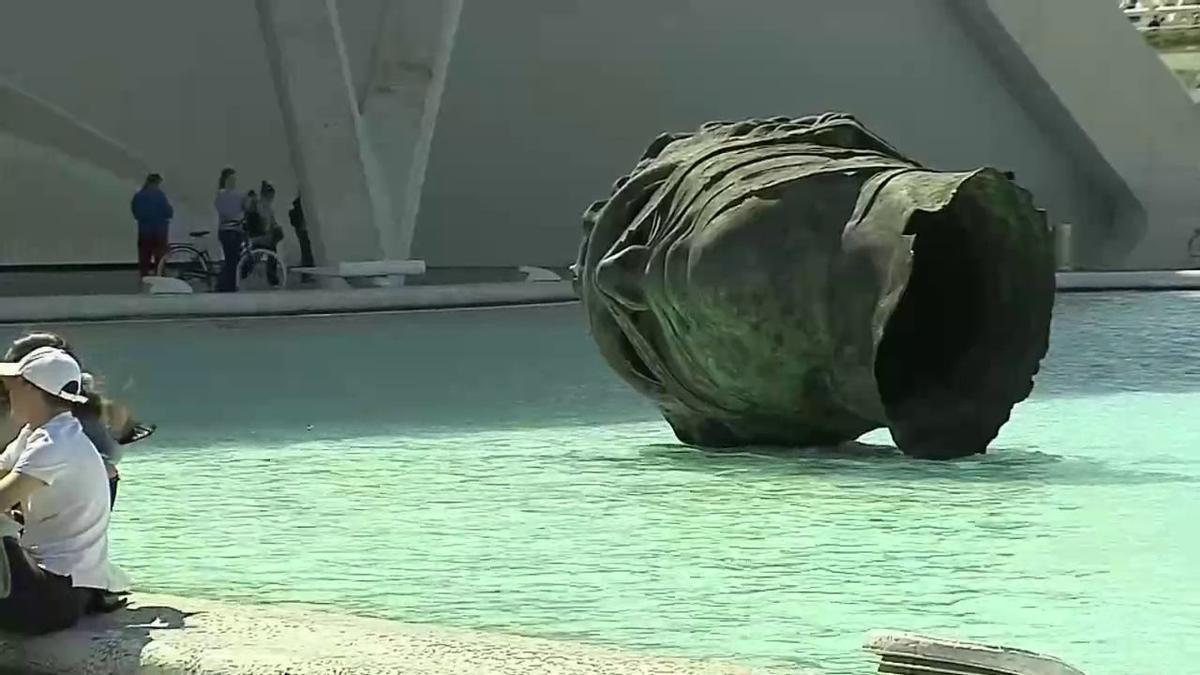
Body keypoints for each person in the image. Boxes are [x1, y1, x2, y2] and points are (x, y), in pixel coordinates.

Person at [0, 345, 129, 634]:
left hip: (51, 600)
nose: (7, 393)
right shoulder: (37, 433)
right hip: (55, 587)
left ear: (33, 390)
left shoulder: (54, 444)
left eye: (13, 386)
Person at [2, 333, 154, 508]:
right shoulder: (44, 424)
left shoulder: (53, 440)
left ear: (29, 388)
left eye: (13, 383)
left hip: (66, 494)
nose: (9, 387)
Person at [130, 173, 174, 278]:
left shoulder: (138, 196)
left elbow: (136, 213)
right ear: (156, 183)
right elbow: (169, 212)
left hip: (144, 231)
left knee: (144, 256)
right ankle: (160, 275)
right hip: (160, 230)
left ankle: (144, 276)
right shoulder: (160, 195)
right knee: (160, 256)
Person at [214, 168, 246, 293]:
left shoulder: (229, 194)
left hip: (229, 230)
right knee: (232, 259)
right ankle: (229, 286)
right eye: (231, 179)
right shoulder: (224, 194)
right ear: (226, 180)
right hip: (230, 230)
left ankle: (228, 285)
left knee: (232, 259)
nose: (233, 181)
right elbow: (228, 212)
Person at [288, 194, 315, 269]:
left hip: (300, 229)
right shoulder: (299, 210)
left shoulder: (294, 211)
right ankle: (308, 263)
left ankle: (307, 262)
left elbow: (293, 222)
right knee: (305, 245)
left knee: (304, 245)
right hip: (302, 229)